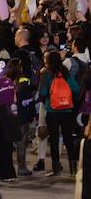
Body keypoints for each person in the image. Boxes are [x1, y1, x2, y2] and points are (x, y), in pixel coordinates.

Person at [38, 48, 79, 176]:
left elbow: (42, 92)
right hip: (67, 110)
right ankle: (73, 169)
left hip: (52, 110)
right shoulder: (66, 72)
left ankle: (56, 169)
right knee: (68, 138)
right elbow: (76, 89)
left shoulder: (46, 73)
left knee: (54, 139)